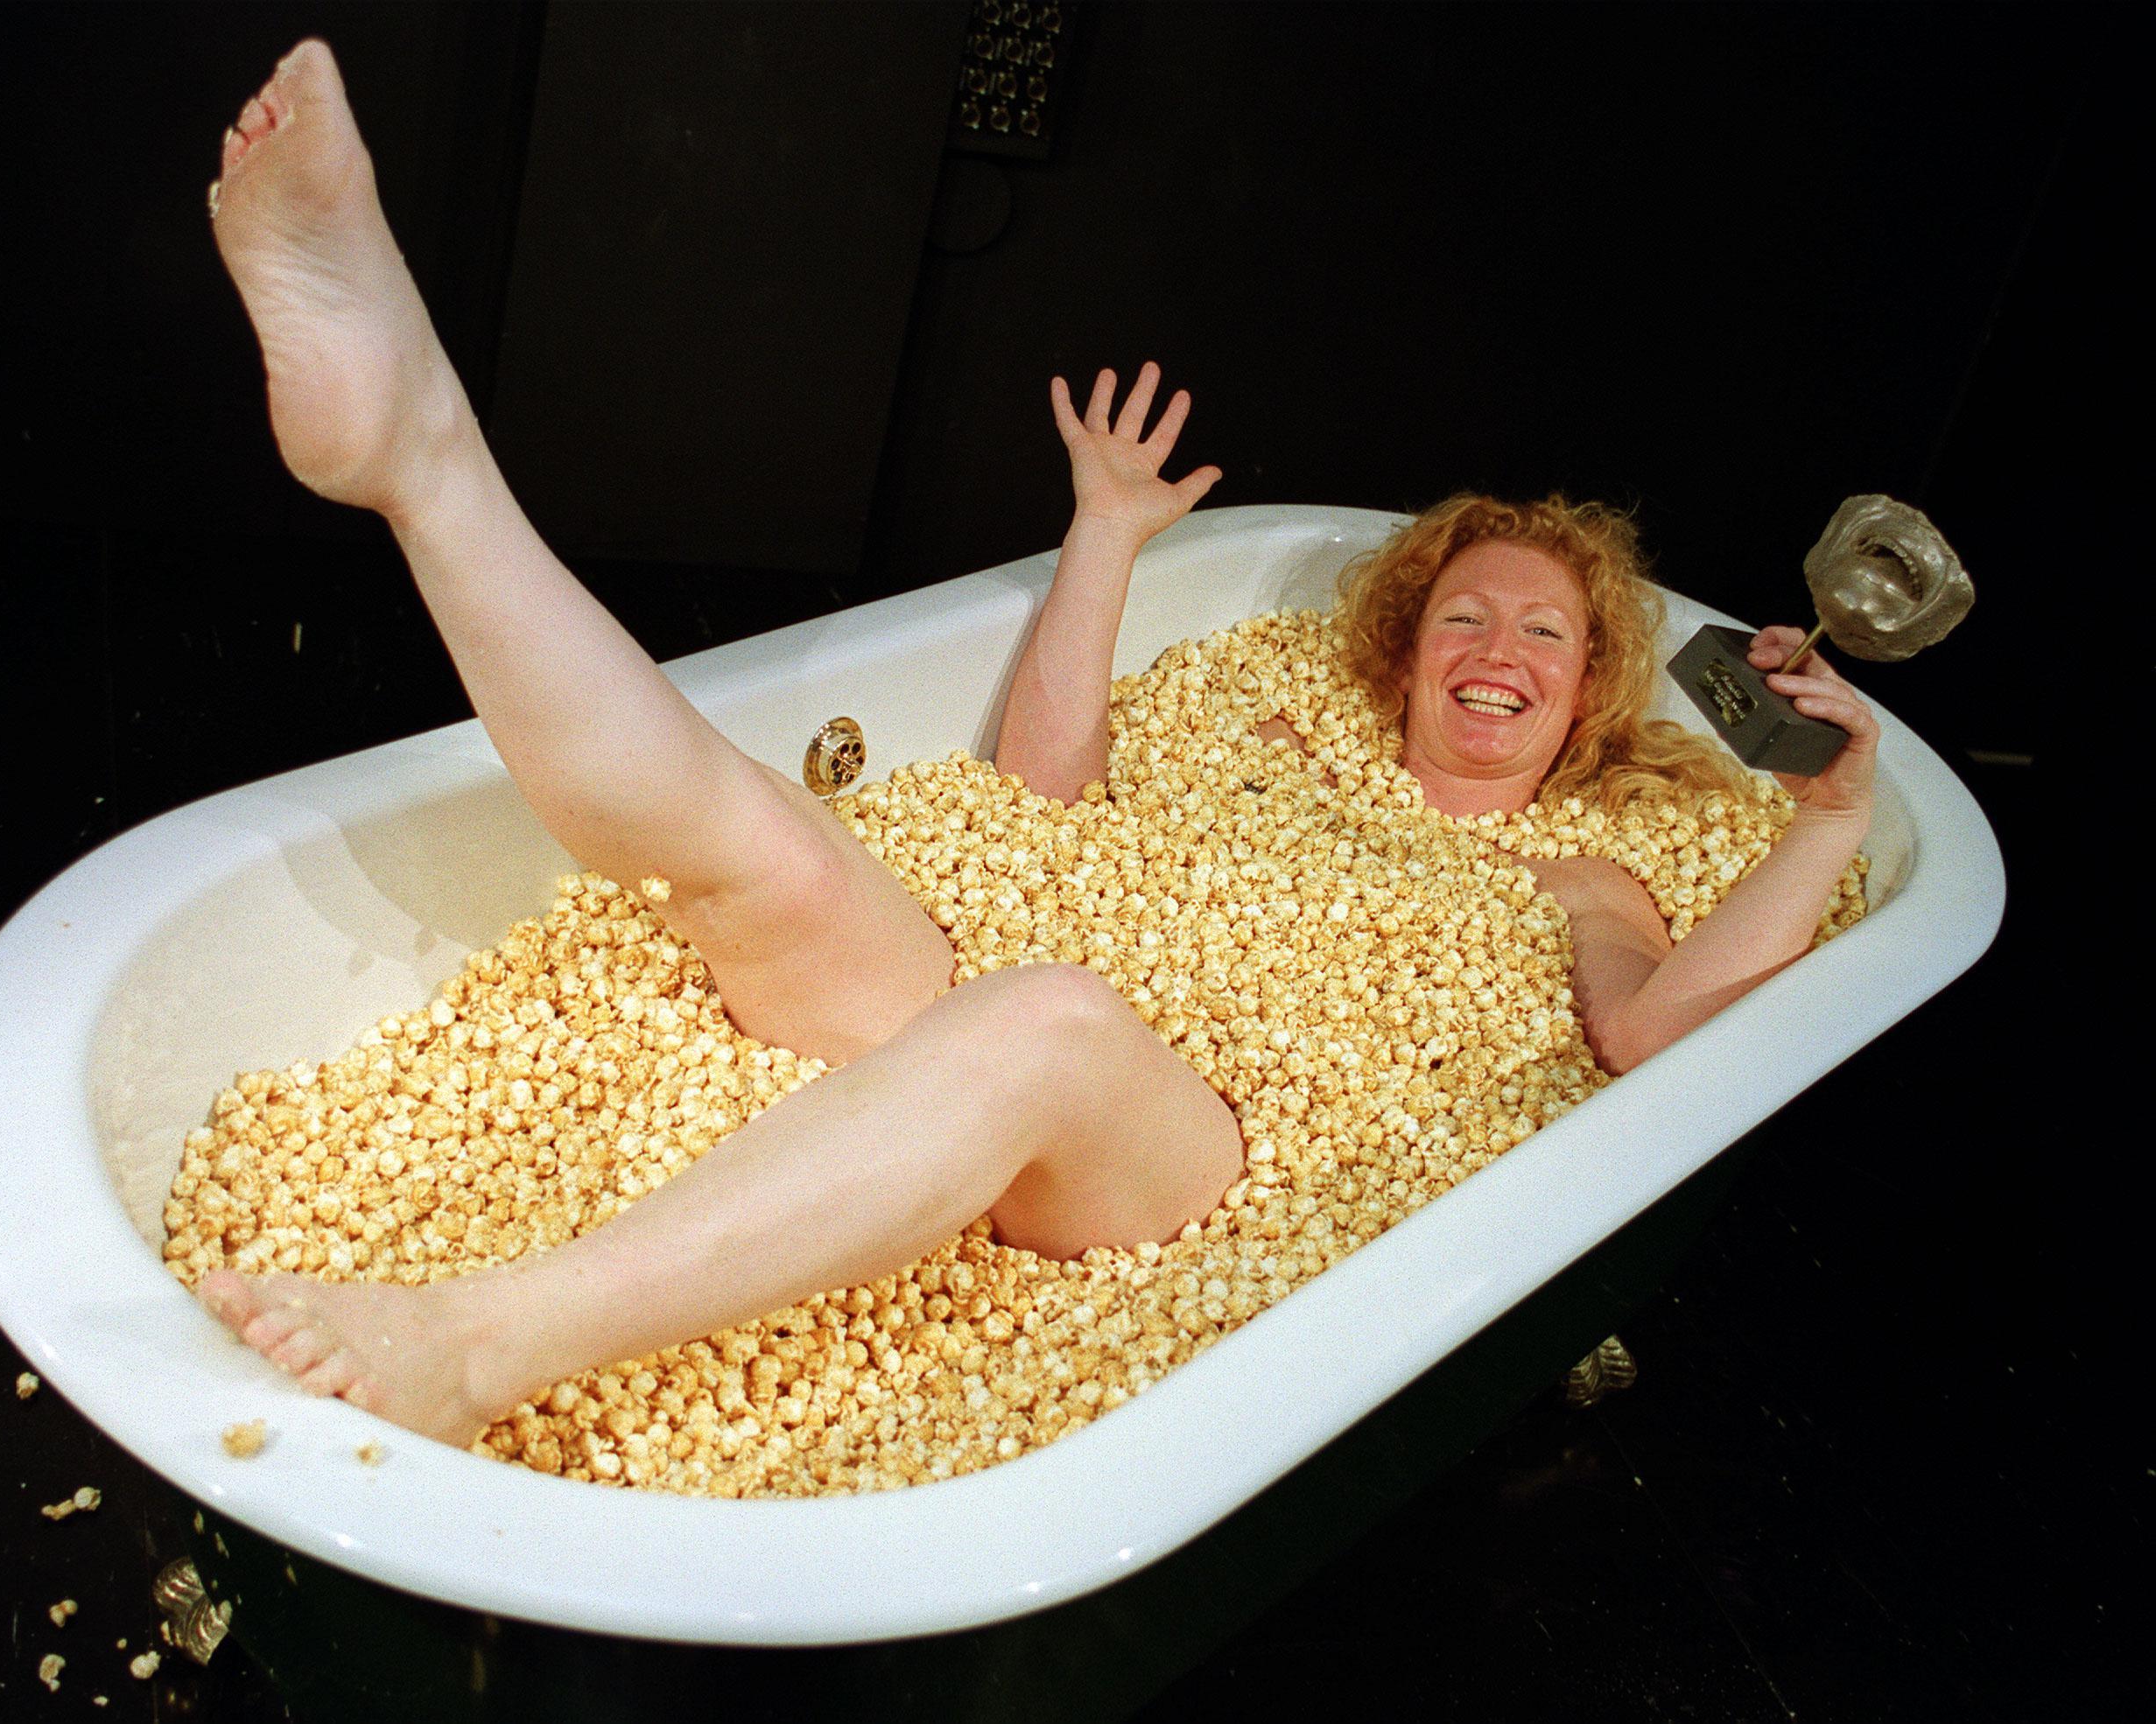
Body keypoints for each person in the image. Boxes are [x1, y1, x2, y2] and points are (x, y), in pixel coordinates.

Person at [193, 40, 1879, 1450]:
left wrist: (1822, 823)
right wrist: (1104, 536)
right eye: (1464, 615)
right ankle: (419, 453)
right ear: (1406, 642)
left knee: (1048, 1022)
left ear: (1587, 690)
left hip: (1208, 1156)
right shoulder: (1267, 726)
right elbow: (1039, 797)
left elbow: (1651, 1035)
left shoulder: (1572, 872)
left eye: (1542, 634)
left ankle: (477, 1342)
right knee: (756, 835)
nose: (1494, 650)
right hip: (987, 977)